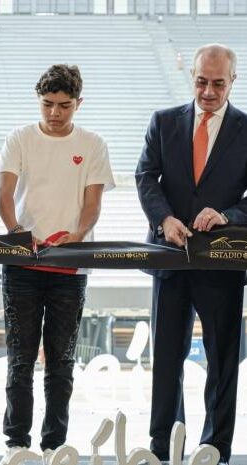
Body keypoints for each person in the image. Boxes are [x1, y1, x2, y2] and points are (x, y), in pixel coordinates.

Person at [0, 64, 114, 465]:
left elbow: (93, 203)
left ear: (78, 103)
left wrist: (77, 237)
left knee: (61, 360)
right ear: (39, 101)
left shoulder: (93, 143)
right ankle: (15, 441)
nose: (55, 113)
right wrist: (15, 230)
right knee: (20, 358)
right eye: (47, 104)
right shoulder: (20, 138)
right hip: (23, 264)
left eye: (64, 105)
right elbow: (4, 193)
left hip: (71, 266)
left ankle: (53, 443)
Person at [136, 43, 247, 465]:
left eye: (218, 83)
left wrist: (226, 214)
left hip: (221, 265)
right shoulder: (163, 122)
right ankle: (164, 446)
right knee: (166, 358)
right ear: (193, 77)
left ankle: (214, 448)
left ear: (233, 81)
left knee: (222, 361)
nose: (208, 91)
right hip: (168, 259)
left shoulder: (246, 128)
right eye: (202, 81)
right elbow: (146, 175)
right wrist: (164, 220)